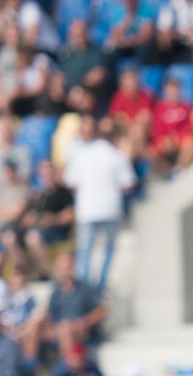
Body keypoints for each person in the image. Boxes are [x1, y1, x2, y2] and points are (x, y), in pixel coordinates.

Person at [64, 119, 136, 291]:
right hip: (110, 209)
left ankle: (84, 287)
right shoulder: (116, 155)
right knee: (108, 249)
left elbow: (70, 183)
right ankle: (100, 285)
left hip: (87, 210)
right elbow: (128, 184)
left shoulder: (82, 155)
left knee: (85, 250)